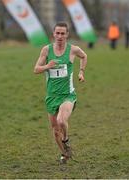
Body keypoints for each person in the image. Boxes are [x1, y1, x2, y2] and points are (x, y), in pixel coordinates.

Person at [34, 22, 87, 164]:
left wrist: (81, 72)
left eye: (63, 33)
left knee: (61, 120)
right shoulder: (46, 50)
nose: (60, 36)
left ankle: (66, 140)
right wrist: (47, 66)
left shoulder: (73, 50)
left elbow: (84, 56)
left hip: (68, 95)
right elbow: (36, 69)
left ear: (67, 35)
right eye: (57, 33)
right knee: (55, 130)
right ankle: (65, 153)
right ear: (53, 34)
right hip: (51, 96)